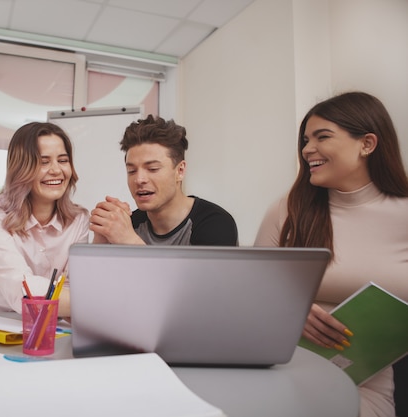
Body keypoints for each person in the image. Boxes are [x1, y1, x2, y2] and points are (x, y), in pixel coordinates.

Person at [254, 91, 408, 417]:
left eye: (322, 137)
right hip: (285, 365)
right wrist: (292, 308)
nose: (307, 149)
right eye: (306, 139)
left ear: (367, 144)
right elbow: (252, 288)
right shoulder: (287, 209)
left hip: (373, 377)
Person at [0, 122, 89, 318]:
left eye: (62, 160)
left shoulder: (79, 219)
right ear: (21, 168)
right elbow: (21, 287)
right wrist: (101, 305)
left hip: (56, 325)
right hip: (2, 322)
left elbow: (74, 286)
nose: (56, 170)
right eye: (43, 162)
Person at [89, 114, 238, 246]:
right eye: (131, 171)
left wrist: (131, 242)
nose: (139, 179)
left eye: (153, 169)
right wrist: (102, 241)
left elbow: (201, 279)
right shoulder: (131, 225)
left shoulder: (216, 224)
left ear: (180, 171)